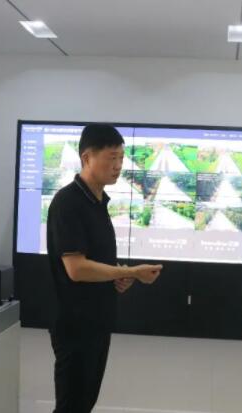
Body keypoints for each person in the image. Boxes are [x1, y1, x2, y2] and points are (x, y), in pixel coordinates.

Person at [47, 124, 163, 413]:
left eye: (121, 158)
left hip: (97, 320)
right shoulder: (68, 202)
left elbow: (95, 262)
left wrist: (118, 276)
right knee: (71, 405)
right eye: (112, 158)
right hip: (75, 324)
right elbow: (76, 269)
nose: (118, 165)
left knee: (85, 402)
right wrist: (129, 272)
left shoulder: (98, 202)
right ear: (86, 158)